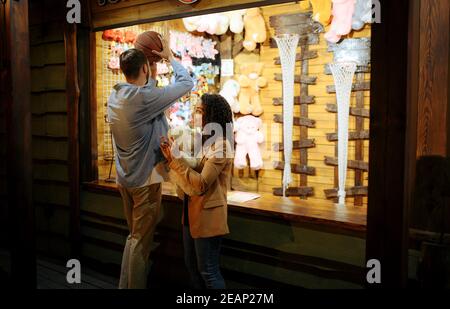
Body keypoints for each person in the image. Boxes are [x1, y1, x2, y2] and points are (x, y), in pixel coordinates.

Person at [107, 35, 194, 289]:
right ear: (144, 67)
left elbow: (146, 93)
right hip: (145, 182)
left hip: (126, 180)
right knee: (140, 243)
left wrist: (151, 72)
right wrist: (169, 57)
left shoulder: (117, 96)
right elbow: (186, 82)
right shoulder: (144, 100)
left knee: (134, 238)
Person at [160, 94, 234, 289]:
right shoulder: (207, 141)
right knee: (192, 268)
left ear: (213, 116)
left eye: (200, 111)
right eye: (196, 110)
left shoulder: (222, 145)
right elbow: (193, 167)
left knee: (208, 271)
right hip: (191, 212)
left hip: (207, 214)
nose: (195, 114)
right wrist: (173, 155)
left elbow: (201, 183)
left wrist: (175, 161)